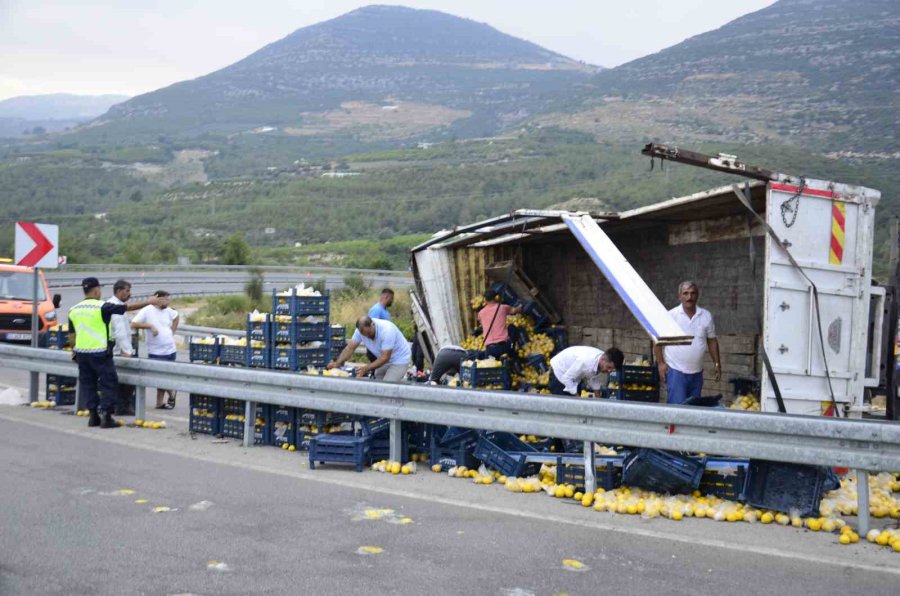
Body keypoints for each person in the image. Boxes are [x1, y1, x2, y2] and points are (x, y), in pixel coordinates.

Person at [68, 277, 160, 428]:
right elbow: (126, 308)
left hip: (82, 354)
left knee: (89, 384)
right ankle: (107, 417)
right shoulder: (102, 306)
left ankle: (93, 416)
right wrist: (148, 302)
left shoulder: (74, 309)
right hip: (100, 353)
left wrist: (74, 351)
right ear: (97, 290)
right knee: (109, 384)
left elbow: (72, 335)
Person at [654, 281, 722, 405]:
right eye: (685, 293)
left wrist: (717, 363)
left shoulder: (706, 316)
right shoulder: (671, 316)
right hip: (676, 372)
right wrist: (661, 364)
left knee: (693, 410)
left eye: (693, 293)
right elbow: (658, 341)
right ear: (679, 296)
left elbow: (712, 340)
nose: (689, 297)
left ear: (697, 295)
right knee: (677, 411)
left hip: (697, 373)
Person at [130, 290, 180, 409]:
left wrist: (172, 331)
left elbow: (176, 316)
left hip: (170, 349)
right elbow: (134, 323)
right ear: (157, 298)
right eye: (165, 299)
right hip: (156, 350)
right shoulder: (147, 310)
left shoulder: (169, 311)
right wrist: (150, 326)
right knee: (160, 376)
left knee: (165, 375)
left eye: (169, 299)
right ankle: (172, 392)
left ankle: (159, 402)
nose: (167, 302)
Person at [327, 315, 411, 382]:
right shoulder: (359, 331)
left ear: (372, 324)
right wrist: (337, 363)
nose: (367, 336)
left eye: (369, 333)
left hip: (400, 359)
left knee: (388, 385)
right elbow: (349, 349)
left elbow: (385, 358)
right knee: (377, 379)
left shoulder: (387, 330)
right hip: (385, 359)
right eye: (364, 335)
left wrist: (366, 368)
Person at [108, 279, 137, 415]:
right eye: (127, 291)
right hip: (118, 351)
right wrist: (127, 351)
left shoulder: (116, 304)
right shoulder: (115, 307)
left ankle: (121, 406)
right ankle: (121, 406)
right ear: (119, 291)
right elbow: (120, 332)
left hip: (118, 349)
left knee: (123, 381)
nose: (129, 294)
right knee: (125, 381)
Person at [549, 346, 624, 396]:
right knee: (564, 408)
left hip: (574, 376)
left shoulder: (601, 361)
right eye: (609, 367)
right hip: (559, 371)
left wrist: (598, 400)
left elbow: (595, 379)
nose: (609, 371)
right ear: (603, 359)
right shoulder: (586, 362)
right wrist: (577, 398)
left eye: (612, 369)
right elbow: (566, 378)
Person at [476, 288, 522, 359]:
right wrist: (520, 307)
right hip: (504, 347)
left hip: (490, 349)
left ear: (485, 299)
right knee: (512, 327)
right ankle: (512, 351)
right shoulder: (502, 308)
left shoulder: (480, 313)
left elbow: (481, 323)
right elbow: (514, 311)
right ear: (495, 297)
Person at [366, 288, 394, 362]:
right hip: (376, 348)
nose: (392, 301)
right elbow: (371, 329)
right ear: (386, 297)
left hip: (382, 346)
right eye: (391, 298)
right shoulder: (376, 310)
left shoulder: (384, 310)